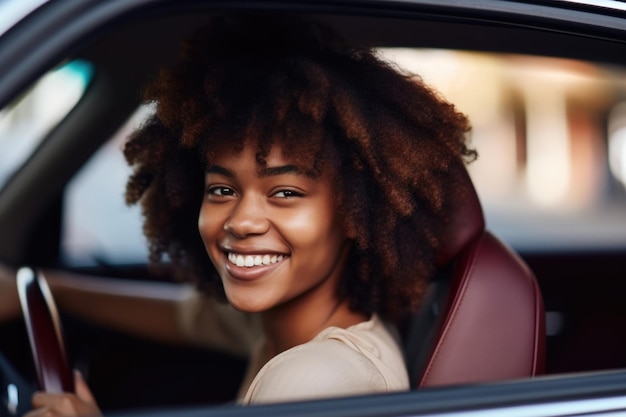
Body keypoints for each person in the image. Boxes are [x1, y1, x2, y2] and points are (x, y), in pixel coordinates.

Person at [0, 15, 475, 416]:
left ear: (354, 214)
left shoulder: (317, 380)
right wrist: (39, 288)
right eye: (223, 189)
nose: (241, 221)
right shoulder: (288, 322)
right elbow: (187, 318)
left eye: (285, 192)